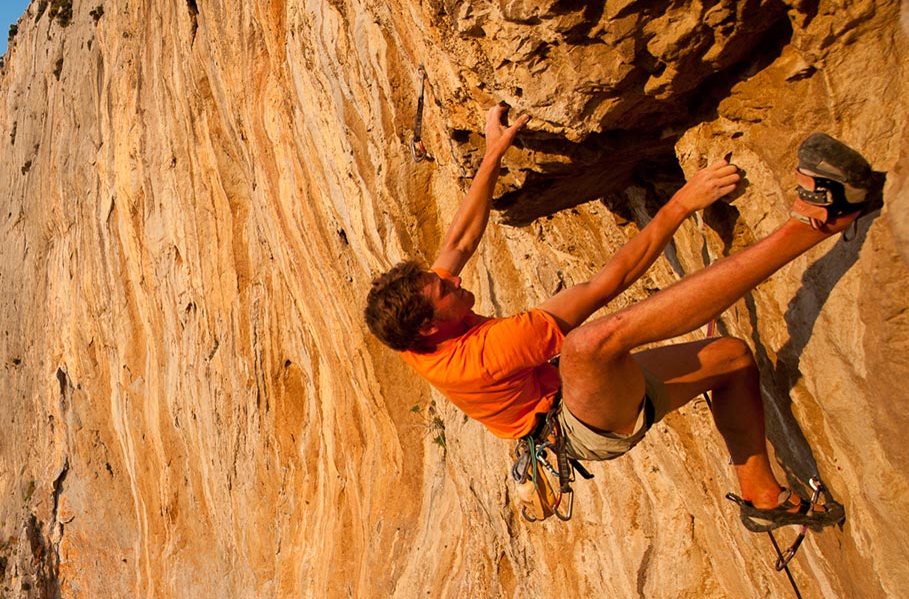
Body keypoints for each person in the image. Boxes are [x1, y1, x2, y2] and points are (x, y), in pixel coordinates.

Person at [365, 103, 880, 530]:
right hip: (578, 427)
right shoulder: (483, 354)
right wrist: (681, 203)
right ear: (432, 325)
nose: (452, 279)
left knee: (732, 359)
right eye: (444, 289)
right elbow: (609, 282)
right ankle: (820, 222)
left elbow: (458, 239)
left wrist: (494, 150)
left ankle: (763, 498)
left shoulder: (417, 330)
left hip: (577, 402)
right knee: (593, 342)